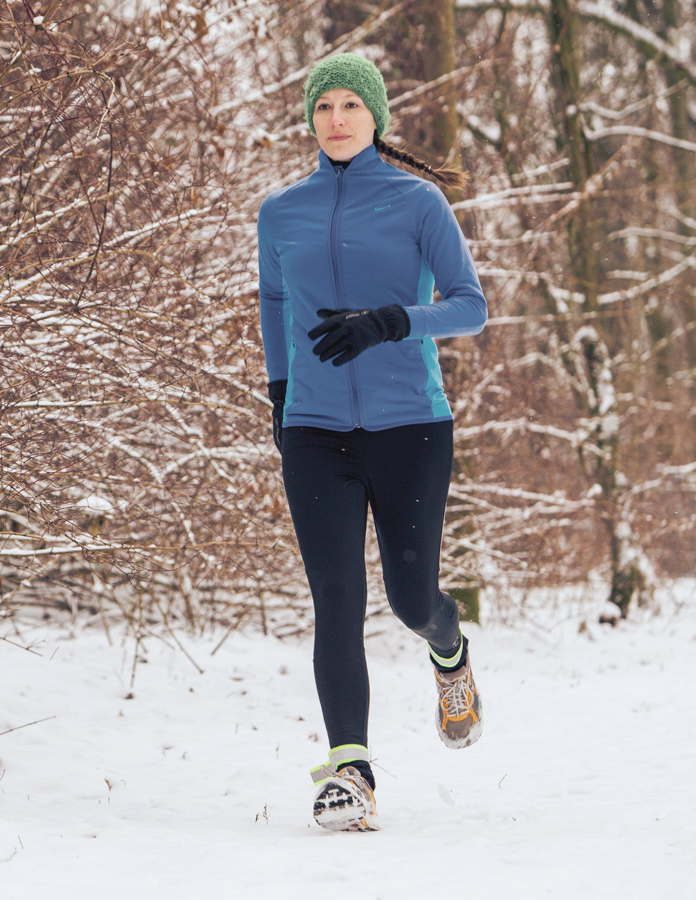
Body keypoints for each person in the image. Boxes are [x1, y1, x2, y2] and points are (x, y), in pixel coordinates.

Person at [256, 53, 487, 833]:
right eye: (325, 107)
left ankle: (448, 651)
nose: (338, 119)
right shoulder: (280, 211)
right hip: (315, 433)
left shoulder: (418, 203)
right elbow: (274, 303)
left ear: (377, 116)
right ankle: (349, 771)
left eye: (352, 104)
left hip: (410, 428)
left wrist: (394, 321)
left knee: (409, 598)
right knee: (336, 600)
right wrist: (281, 396)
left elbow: (470, 307)